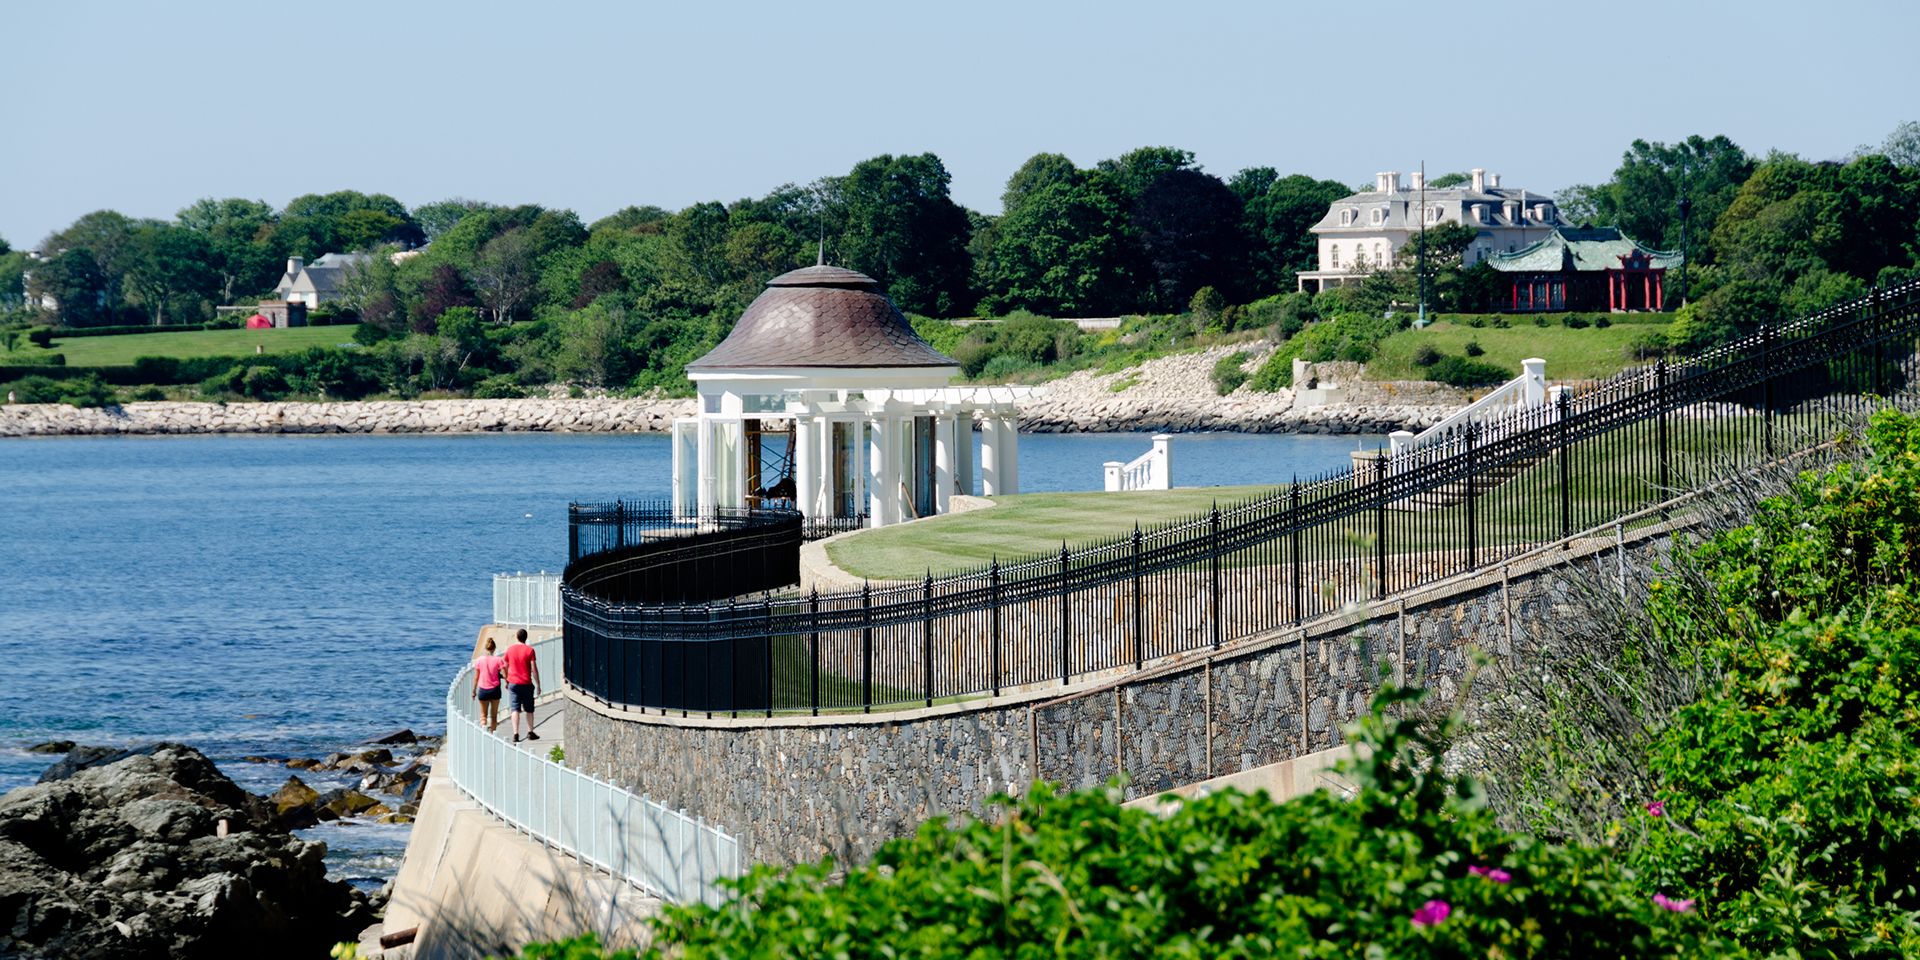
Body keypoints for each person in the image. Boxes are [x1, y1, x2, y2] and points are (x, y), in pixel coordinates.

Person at [503, 628, 542, 743]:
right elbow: (534, 668)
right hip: (526, 683)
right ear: (526, 637)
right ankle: (530, 732)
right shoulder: (530, 650)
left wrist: (506, 680)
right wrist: (538, 684)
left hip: (513, 683)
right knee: (529, 709)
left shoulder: (510, 650)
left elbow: (504, 665)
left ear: (517, 636)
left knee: (515, 709)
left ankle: (516, 734)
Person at [471, 637, 507, 733]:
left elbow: (476, 677)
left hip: (483, 690)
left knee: (483, 715)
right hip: (495, 690)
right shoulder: (498, 660)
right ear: (494, 649)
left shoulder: (479, 660)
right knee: (494, 716)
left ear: (485, 649)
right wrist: (507, 683)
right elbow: (504, 674)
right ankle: (492, 734)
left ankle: (483, 733)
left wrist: (474, 691)